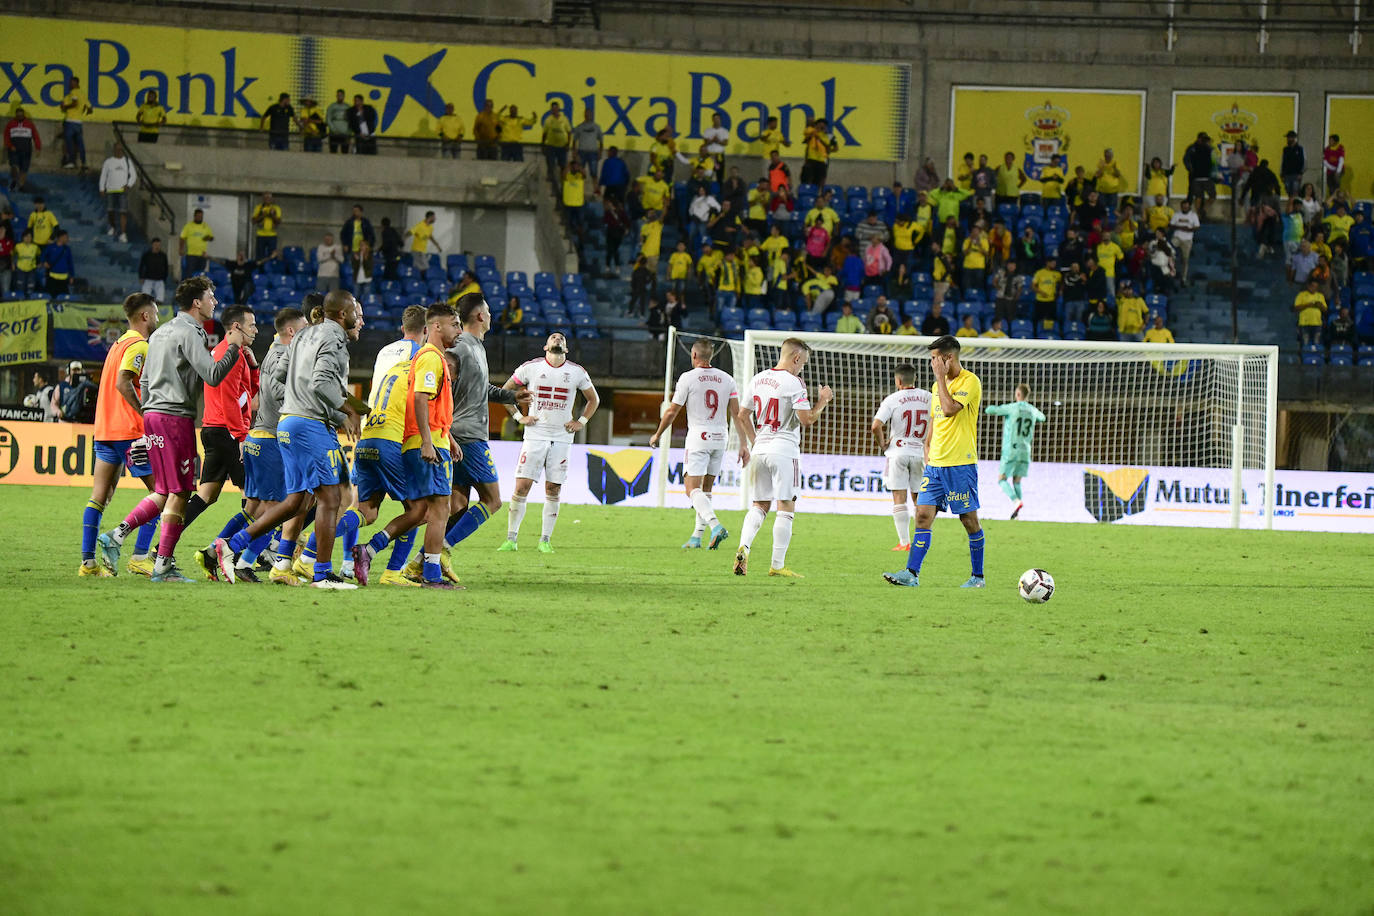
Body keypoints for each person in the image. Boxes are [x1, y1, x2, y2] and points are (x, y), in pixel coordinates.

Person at [213, 290, 364, 588]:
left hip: (288, 423)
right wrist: (347, 409)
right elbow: (320, 382)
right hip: (310, 425)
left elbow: (282, 374)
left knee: (296, 501)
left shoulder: (304, 336)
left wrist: (304, 395)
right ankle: (322, 574)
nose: (361, 319)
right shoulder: (333, 338)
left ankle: (231, 545)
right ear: (342, 314)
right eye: (357, 313)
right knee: (331, 498)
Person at [100, 278, 246, 582]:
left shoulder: (161, 331)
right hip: (174, 418)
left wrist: (149, 411)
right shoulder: (190, 332)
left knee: (166, 490)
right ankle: (162, 564)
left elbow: (143, 381)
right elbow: (213, 375)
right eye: (211, 296)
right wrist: (233, 347)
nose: (215, 302)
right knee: (180, 491)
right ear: (196, 303)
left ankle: (117, 535)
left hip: (154, 415)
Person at [884, 335, 984, 588]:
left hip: (960, 464)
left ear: (948, 358)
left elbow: (949, 410)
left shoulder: (970, 381)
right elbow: (935, 422)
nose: (932, 364)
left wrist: (940, 378)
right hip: (935, 467)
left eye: (934, 359)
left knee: (968, 520)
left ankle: (978, 577)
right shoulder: (935, 386)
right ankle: (911, 574)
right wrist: (927, 453)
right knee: (922, 516)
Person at [217, 306, 307, 584]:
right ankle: (244, 561)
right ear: (291, 330)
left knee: (253, 508)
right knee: (277, 510)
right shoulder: (283, 356)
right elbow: (279, 393)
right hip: (270, 439)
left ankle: (213, 550)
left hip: (259, 436)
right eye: (304, 328)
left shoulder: (273, 353)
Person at [731, 337, 833, 577]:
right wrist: (823, 400)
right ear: (796, 358)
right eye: (803, 363)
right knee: (786, 506)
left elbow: (742, 415)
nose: (802, 368)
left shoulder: (757, 379)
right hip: (785, 449)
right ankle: (776, 565)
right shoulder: (794, 382)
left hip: (760, 450)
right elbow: (807, 420)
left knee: (759, 505)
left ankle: (744, 547)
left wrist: (755, 441)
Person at [82, 293, 162, 577]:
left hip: (105, 430)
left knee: (99, 497)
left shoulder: (118, 344)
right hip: (130, 432)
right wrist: (145, 415)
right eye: (155, 313)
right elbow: (123, 382)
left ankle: (88, 564)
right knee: (161, 492)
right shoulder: (139, 345)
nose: (157, 318)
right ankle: (139, 556)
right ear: (145, 316)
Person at [498, 332, 599, 552]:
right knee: (522, 486)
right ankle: (511, 539)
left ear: (566, 349)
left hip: (562, 437)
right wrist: (519, 417)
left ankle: (545, 540)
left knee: (553, 488)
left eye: (561, 338)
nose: (557, 339)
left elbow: (594, 399)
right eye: (553, 337)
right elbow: (504, 392)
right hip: (535, 435)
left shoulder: (577, 372)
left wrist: (581, 421)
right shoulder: (530, 367)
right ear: (545, 346)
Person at [180, 306, 261, 578]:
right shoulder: (231, 354)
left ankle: (162, 548)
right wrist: (241, 436)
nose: (255, 330)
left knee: (207, 495)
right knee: (254, 499)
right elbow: (230, 400)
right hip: (228, 432)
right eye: (251, 325)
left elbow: (247, 395)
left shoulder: (228, 352)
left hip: (213, 429)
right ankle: (233, 558)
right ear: (236, 327)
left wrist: (254, 367)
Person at [648, 338, 744, 549]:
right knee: (706, 489)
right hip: (721, 437)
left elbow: (672, 411)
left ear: (693, 355)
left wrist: (658, 434)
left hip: (699, 437)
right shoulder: (727, 379)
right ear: (711, 355)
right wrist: (743, 444)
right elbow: (737, 414)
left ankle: (715, 526)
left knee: (691, 488)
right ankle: (696, 537)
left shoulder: (688, 378)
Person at [871, 363, 932, 551]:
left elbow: (876, 425)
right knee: (919, 499)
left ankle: (904, 543)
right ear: (915, 378)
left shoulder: (892, 399)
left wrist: (883, 444)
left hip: (897, 451)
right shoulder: (929, 397)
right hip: (920, 451)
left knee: (899, 497)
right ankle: (921, 541)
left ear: (898, 381)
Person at [985, 383, 1045, 520]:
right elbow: (1042, 417)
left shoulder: (1012, 408)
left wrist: (993, 407)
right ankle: (1017, 514)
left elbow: (990, 410)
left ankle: (1016, 501)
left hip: (1011, 450)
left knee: (1002, 479)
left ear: (1018, 394)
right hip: (1025, 451)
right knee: (1017, 482)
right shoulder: (1032, 410)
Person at [59, 77, 92, 170]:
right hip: (79, 122)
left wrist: (65, 107)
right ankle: (84, 162)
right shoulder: (83, 94)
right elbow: (90, 109)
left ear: (76, 83)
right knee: (80, 143)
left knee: (69, 142)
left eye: (71, 83)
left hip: (70, 121)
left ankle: (71, 162)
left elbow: (74, 103)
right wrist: (82, 112)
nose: (70, 85)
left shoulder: (73, 92)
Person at [4, 107, 40, 191]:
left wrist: (38, 148)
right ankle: (14, 181)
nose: (20, 117)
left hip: (26, 151)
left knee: (24, 170)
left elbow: (35, 136)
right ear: (15, 115)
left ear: (24, 115)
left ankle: (21, 186)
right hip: (14, 150)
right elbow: (6, 136)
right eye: (18, 115)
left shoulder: (30, 124)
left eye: (21, 115)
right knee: (14, 166)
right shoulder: (10, 124)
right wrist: (10, 146)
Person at [800, 118, 838, 186]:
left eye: (824, 125)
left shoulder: (827, 136)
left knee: (820, 179)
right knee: (807, 178)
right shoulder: (811, 131)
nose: (822, 126)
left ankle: (818, 190)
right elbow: (806, 132)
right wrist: (813, 127)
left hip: (821, 160)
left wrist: (828, 150)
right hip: (811, 159)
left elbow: (831, 147)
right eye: (820, 124)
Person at [539, 101, 572, 178]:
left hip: (562, 147)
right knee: (550, 165)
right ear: (551, 110)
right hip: (551, 146)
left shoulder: (564, 119)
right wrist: (543, 145)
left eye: (556, 108)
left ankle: (562, 180)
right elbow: (544, 133)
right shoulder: (548, 120)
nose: (554, 110)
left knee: (563, 165)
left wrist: (568, 144)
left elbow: (569, 132)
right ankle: (551, 180)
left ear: (558, 109)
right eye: (553, 109)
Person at [1293, 278, 1327, 348]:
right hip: (1304, 324)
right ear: (1308, 286)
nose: (1314, 288)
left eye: (1316, 287)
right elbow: (1296, 308)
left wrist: (1320, 305)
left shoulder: (1320, 296)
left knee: (1317, 344)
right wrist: (1308, 305)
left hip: (1317, 324)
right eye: (1312, 286)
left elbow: (1325, 310)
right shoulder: (1301, 295)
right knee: (1305, 344)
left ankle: (1316, 355)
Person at [570, 108, 604, 180]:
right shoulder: (580, 127)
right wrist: (574, 152)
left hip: (593, 152)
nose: (588, 116)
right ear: (584, 115)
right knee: (579, 172)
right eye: (586, 114)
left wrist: (600, 152)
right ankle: (579, 186)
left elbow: (601, 141)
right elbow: (574, 140)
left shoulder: (596, 127)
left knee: (594, 174)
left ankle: (595, 187)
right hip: (581, 152)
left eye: (589, 114)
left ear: (592, 115)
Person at [179, 208, 214, 276]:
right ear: (194, 216)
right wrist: (181, 249)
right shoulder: (188, 226)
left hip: (202, 255)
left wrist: (208, 238)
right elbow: (182, 238)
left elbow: (211, 238)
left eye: (201, 216)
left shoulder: (206, 226)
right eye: (198, 216)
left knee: (200, 275)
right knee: (190, 275)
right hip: (191, 255)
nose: (200, 218)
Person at [251, 192, 284, 260]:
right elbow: (253, 221)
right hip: (260, 235)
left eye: (269, 197)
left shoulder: (276, 208)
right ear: (263, 198)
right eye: (265, 197)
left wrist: (272, 215)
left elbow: (279, 222)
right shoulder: (258, 207)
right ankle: (261, 267)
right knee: (259, 257)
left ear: (272, 199)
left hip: (272, 236)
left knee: (272, 256)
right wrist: (263, 215)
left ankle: (270, 267)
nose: (267, 199)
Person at [42, 230, 75, 298]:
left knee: (64, 297)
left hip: (64, 278)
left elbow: (70, 263)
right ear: (60, 237)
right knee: (50, 296)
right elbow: (42, 256)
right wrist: (44, 262)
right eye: (66, 237)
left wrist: (72, 276)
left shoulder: (67, 249)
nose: (67, 239)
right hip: (52, 277)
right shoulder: (50, 247)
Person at [324, 90, 352, 154]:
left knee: (345, 152)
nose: (339, 97)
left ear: (344, 96)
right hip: (334, 133)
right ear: (336, 96)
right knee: (333, 151)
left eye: (341, 95)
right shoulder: (332, 106)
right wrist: (333, 130)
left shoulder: (348, 107)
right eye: (338, 95)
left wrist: (349, 132)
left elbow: (351, 121)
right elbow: (328, 119)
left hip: (345, 133)